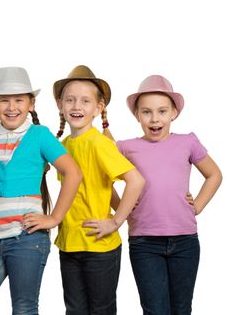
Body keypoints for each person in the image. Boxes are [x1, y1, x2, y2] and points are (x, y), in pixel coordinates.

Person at [0, 67, 82, 315]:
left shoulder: (40, 136)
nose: (12, 107)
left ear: (31, 103)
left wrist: (54, 218)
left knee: (24, 308)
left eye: (19, 100)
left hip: (27, 239)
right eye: (4, 101)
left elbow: (73, 173)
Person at [116, 75, 222, 315]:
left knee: (182, 309)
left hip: (185, 240)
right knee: (155, 309)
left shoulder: (188, 142)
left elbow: (214, 175)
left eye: (162, 111)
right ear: (137, 115)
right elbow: (101, 178)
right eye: (146, 112)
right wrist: (122, 208)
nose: (155, 119)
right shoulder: (125, 147)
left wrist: (198, 206)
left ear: (174, 112)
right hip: (144, 242)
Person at [53, 65, 145, 315]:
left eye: (85, 101)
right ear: (60, 105)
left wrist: (116, 222)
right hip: (69, 243)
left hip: (99, 246)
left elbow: (135, 180)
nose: (76, 106)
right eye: (70, 100)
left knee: (101, 310)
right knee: (75, 310)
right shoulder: (63, 145)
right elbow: (101, 185)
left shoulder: (99, 143)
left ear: (98, 107)